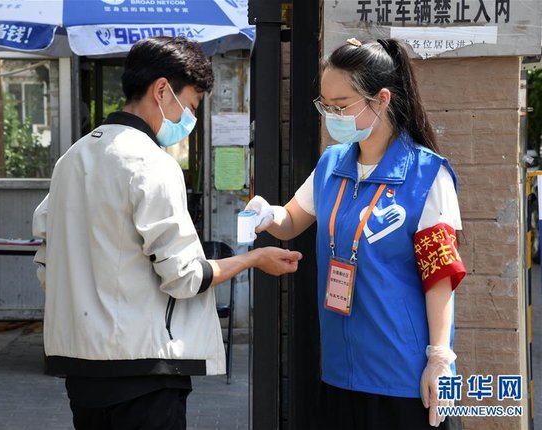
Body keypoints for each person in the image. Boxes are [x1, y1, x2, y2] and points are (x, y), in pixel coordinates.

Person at [32, 36, 302, 430]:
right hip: (145, 368)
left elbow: (46, 264)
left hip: (79, 368)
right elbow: (185, 277)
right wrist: (254, 259)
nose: (188, 120)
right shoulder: (151, 164)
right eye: (190, 105)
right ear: (162, 90)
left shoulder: (71, 159)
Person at [246, 38, 466, 429]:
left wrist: (440, 357)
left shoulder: (426, 174)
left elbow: (440, 277)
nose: (332, 115)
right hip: (340, 369)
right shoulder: (332, 163)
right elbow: (293, 220)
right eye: (325, 105)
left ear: (381, 99)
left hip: (401, 375)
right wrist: (268, 214)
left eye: (342, 105)